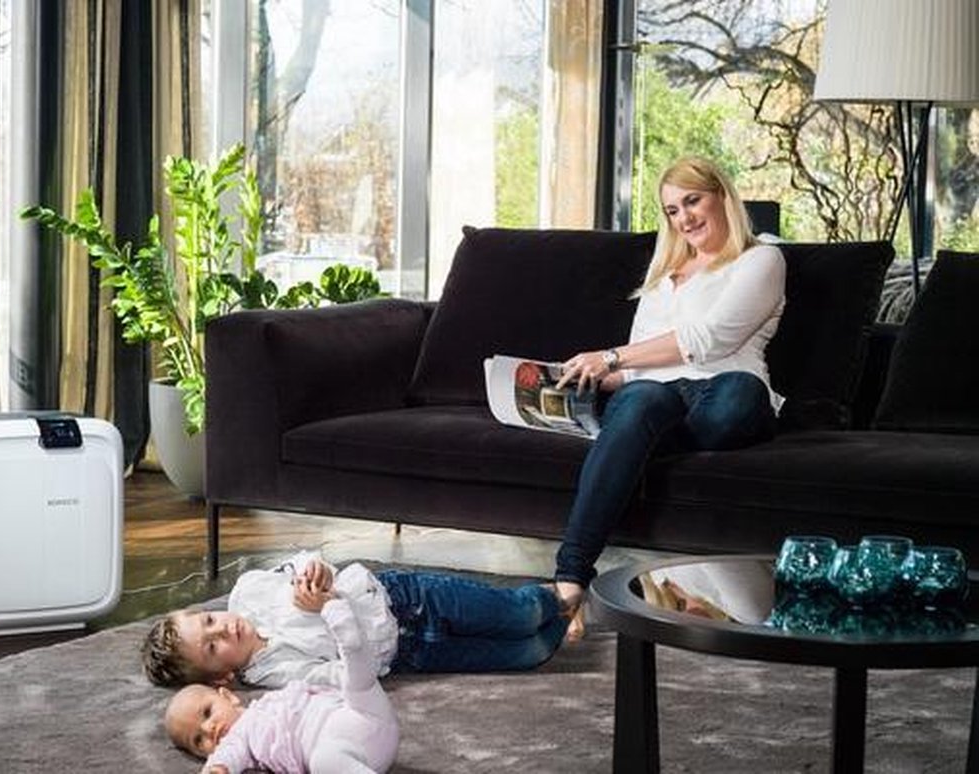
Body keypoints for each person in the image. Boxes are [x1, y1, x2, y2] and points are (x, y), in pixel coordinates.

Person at [553, 156, 786, 640]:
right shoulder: (664, 276)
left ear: (722, 196)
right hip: (656, 397)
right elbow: (632, 369)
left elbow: (711, 340)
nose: (685, 218)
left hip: (724, 391)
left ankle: (633, 442)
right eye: (673, 210)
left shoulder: (761, 259)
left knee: (737, 394)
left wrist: (609, 357)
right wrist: (576, 377)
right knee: (639, 399)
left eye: (693, 201)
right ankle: (570, 579)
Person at [142, 550, 571, 689]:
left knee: (521, 614)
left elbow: (303, 562)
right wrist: (328, 608)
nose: (222, 628)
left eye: (209, 620)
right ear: (222, 678)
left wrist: (316, 574)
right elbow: (346, 676)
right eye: (212, 647)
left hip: (404, 597)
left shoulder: (248, 591)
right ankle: (569, 618)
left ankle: (559, 596)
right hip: (411, 653)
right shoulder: (273, 674)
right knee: (529, 653)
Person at [165, 579, 399, 773]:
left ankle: (349, 637)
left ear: (228, 696)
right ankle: (347, 634)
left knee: (359, 683)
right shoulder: (241, 739)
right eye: (198, 740)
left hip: (362, 713)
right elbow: (227, 757)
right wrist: (216, 768)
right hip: (346, 747)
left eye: (207, 712)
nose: (209, 728)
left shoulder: (267, 700)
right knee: (324, 761)